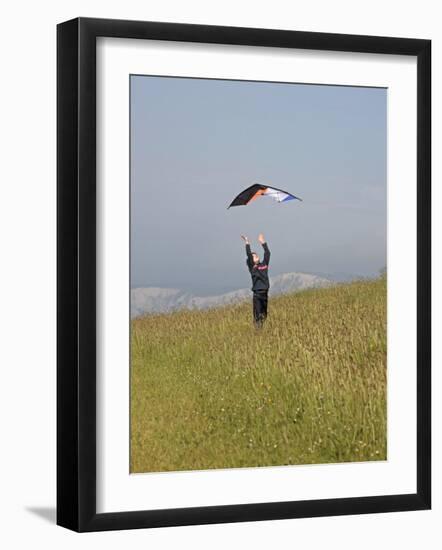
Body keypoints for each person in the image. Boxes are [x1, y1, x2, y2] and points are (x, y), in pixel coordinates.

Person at [241, 233, 271, 327]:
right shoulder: (252, 267)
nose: (255, 255)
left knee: (264, 316)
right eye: (254, 256)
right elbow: (249, 255)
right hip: (257, 295)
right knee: (257, 317)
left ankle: (261, 331)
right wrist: (247, 243)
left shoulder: (264, 264)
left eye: (256, 254)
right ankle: (258, 332)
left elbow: (267, 253)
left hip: (265, 294)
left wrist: (263, 242)